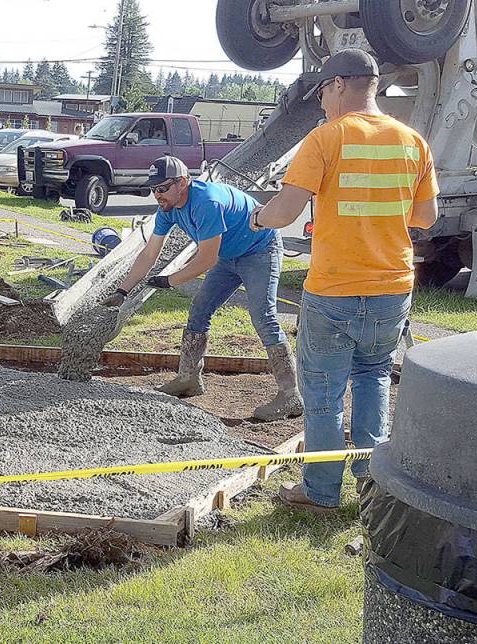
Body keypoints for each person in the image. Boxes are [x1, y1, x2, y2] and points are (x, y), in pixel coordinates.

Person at [249, 48, 439, 513]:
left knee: (322, 392)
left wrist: (256, 218)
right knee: (373, 377)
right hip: (392, 286)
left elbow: (285, 211)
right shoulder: (412, 141)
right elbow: (427, 218)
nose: (321, 104)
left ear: (337, 86)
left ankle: (320, 492)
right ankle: (373, 483)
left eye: (322, 94)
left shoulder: (326, 138)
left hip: (334, 289)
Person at [102, 156, 304, 421]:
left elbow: (206, 259)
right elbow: (150, 252)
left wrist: (170, 280)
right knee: (199, 310)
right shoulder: (168, 209)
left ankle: (290, 395)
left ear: (182, 183)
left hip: (260, 250)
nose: (157, 195)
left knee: (263, 317)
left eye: (162, 188)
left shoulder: (206, 202)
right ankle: (189, 379)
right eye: (153, 189)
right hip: (229, 255)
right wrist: (122, 291)